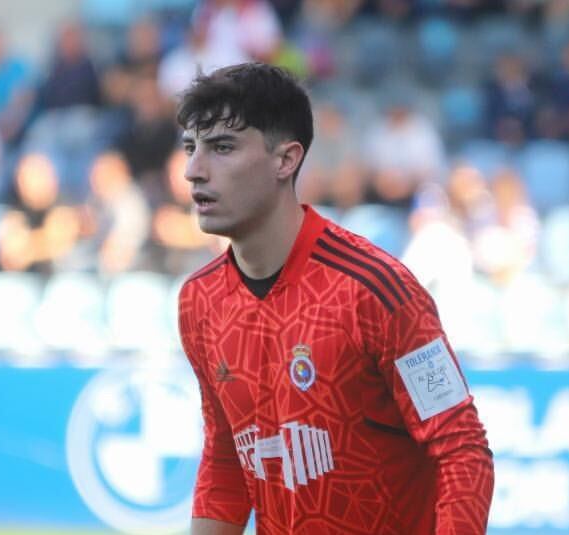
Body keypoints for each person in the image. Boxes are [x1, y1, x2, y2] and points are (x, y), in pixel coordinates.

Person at [176, 63, 494, 535]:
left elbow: (462, 450)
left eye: (222, 147)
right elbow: (226, 458)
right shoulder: (198, 300)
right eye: (191, 148)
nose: (193, 171)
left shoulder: (377, 289)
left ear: (286, 160)